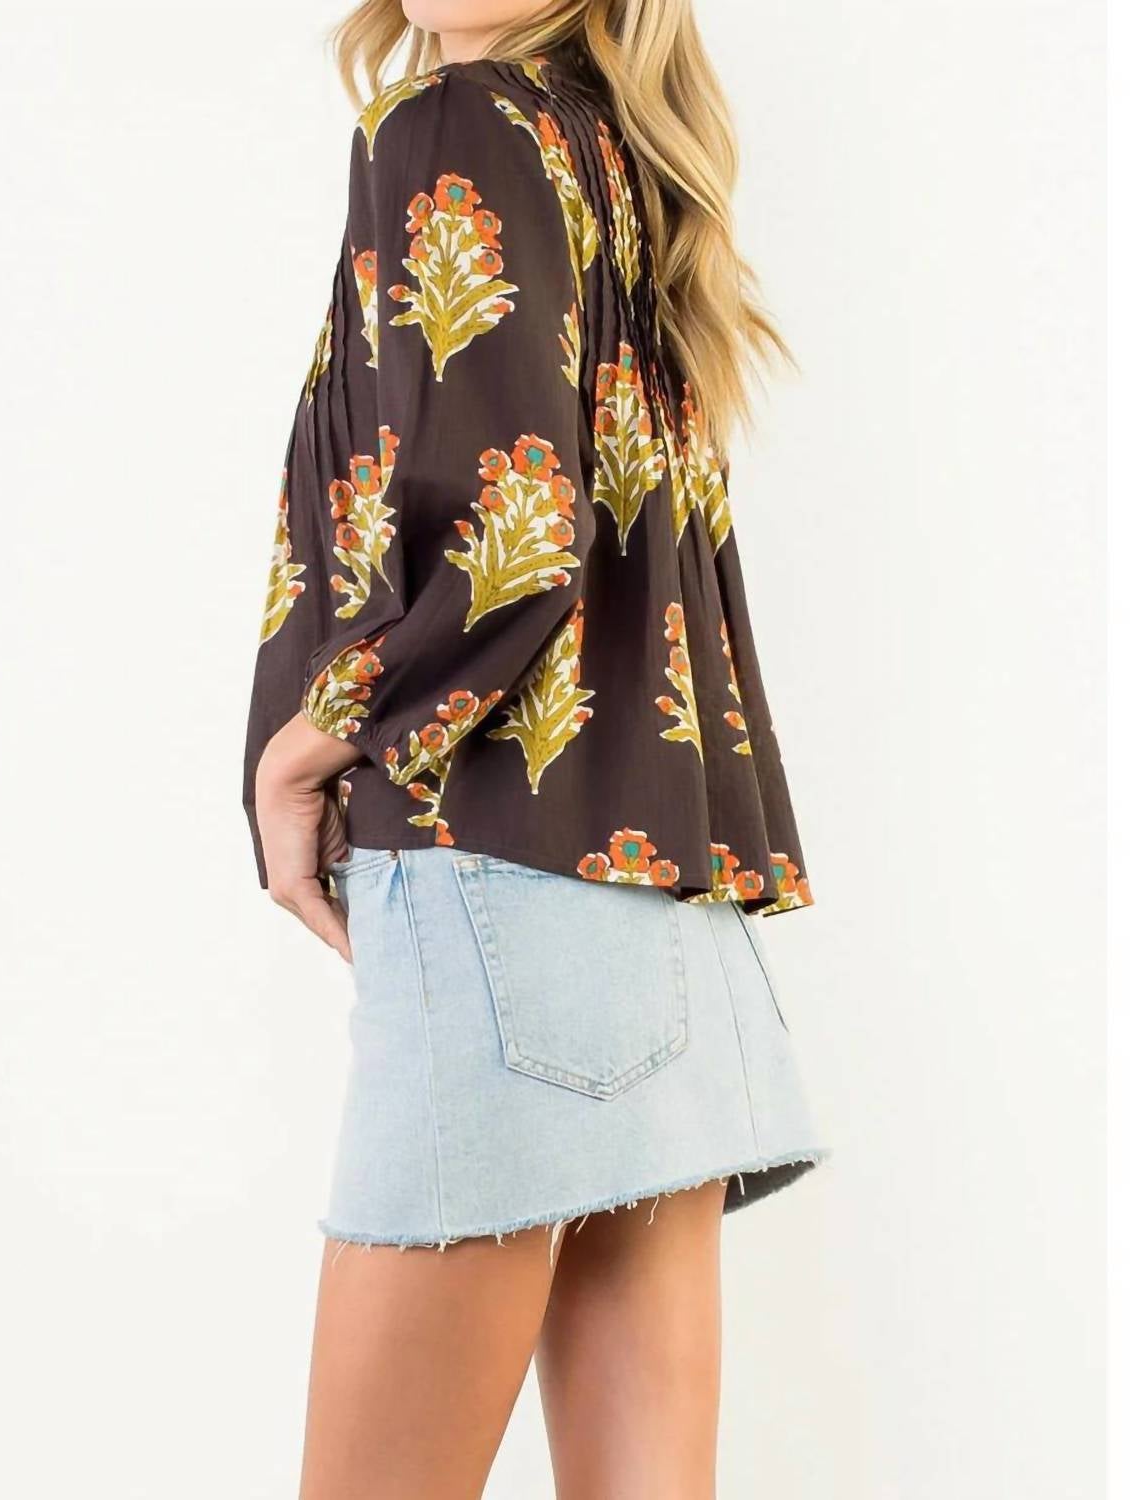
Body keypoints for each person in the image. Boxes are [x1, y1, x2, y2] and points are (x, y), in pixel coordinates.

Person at [242, 3, 825, 1494]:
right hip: (660, 913)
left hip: (492, 868)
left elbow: (512, 528)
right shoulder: (619, 160)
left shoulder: (451, 123)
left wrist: (310, 742)